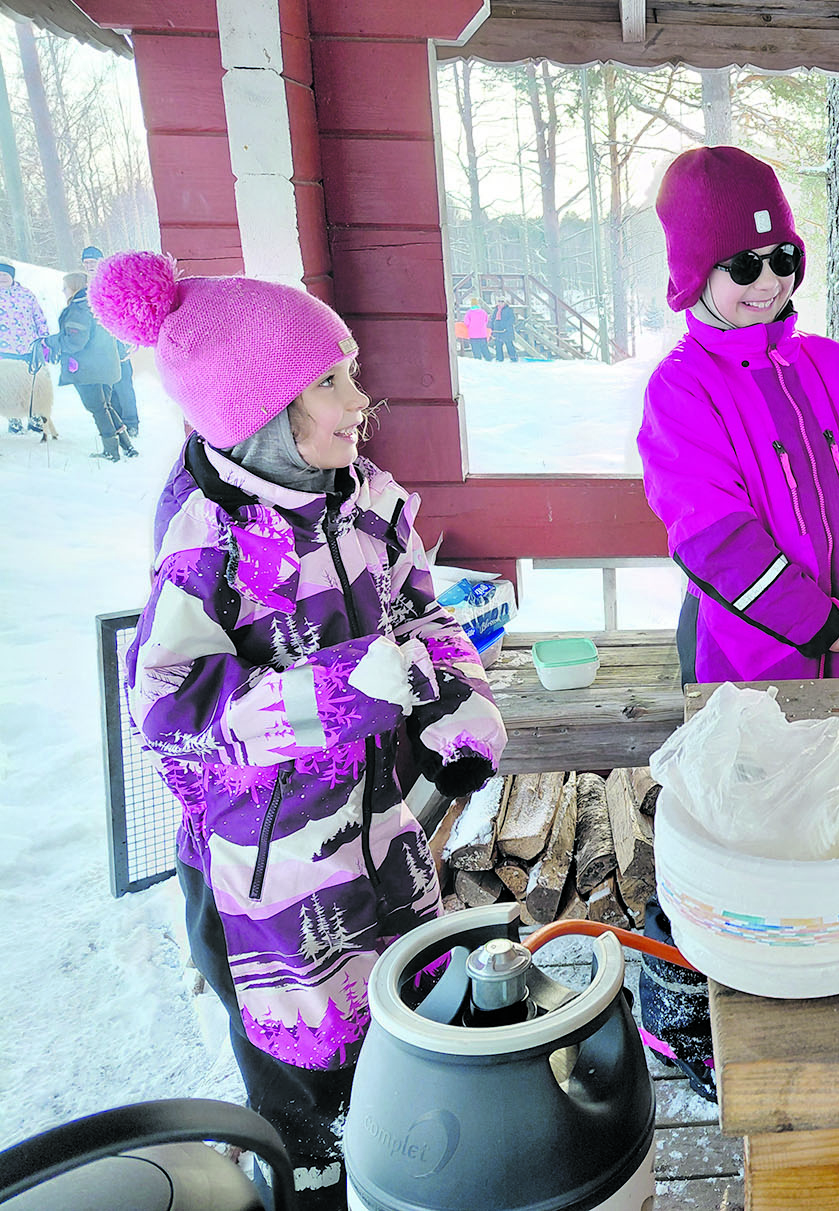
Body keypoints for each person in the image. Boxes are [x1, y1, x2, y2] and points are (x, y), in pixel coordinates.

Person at [90, 250, 508, 1210]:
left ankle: (410, 1170)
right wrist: (336, 694)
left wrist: (456, 702)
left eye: (350, 371)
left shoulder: (362, 503)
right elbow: (166, 703)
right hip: (264, 881)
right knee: (307, 1098)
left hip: (376, 831)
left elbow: (422, 614)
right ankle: (317, 1185)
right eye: (329, 381)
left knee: (407, 1029)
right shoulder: (209, 539)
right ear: (256, 411)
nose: (359, 399)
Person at [638, 145, 839, 685]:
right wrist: (818, 622)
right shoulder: (682, 387)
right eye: (744, 264)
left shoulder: (833, 365)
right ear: (695, 274)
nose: (768, 283)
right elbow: (713, 536)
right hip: (742, 660)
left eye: (782, 258)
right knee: (749, 770)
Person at [56, 270, 136, 460]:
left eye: (65, 287)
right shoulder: (98, 304)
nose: (63, 291)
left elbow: (76, 342)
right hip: (106, 367)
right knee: (105, 406)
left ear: (74, 287)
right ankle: (127, 446)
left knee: (98, 409)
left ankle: (111, 451)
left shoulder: (78, 310)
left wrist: (52, 343)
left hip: (87, 370)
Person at [82, 244, 139, 436]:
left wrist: (130, 336)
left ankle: (132, 422)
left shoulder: (113, 281)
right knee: (108, 386)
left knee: (123, 384)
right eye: (86, 262)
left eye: (93, 261)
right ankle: (119, 422)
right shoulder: (83, 286)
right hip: (98, 348)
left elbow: (127, 309)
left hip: (117, 341)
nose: (90, 265)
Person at [0, 261, 47, 432]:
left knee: (31, 385)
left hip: (28, 349)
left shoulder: (26, 294)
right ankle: (14, 421)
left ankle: (34, 418)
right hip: (4, 351)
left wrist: (44, 340)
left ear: (12, 276)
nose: (1, 278)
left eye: (5, 275)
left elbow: (39, 317)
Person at [488, 295, 517, 361]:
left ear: (505, 302)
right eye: (499, 301)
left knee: (509, 344)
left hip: (506, 330)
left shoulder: (508, 309)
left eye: (502, 301)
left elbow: (512, 318)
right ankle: (499, 359)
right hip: (497, 329)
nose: (500, 303)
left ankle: (513, 358)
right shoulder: (495, 310)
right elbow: (493, 319)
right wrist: (491, 327)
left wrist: (507, 325)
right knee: (498, 345)